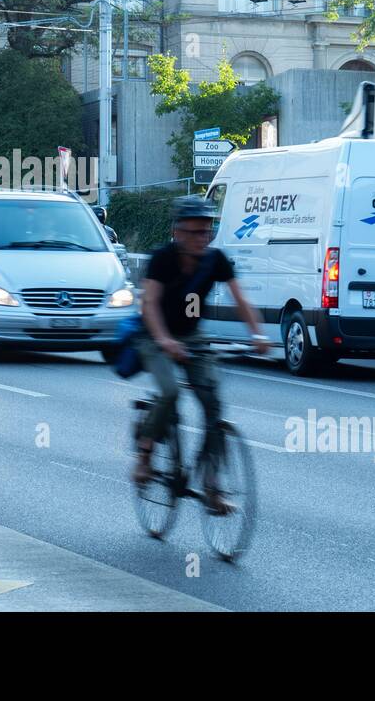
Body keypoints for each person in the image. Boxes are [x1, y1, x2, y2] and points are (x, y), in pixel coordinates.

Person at [133, 195, 269, 514]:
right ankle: (144, 455)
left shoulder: (215, 260)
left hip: (192, 337)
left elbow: (241, 299)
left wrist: (258, 334)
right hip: (155, 335)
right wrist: (165, 341)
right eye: (194, 232)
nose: (201, 238)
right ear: (177, 232)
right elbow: (150, 304)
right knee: (169, 391)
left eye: (206, 231)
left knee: (213, 406)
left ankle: (211, 486)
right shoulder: (162, 259)